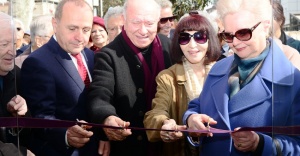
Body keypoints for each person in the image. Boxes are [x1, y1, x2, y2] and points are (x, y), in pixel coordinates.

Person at [183, 0, 300, 155]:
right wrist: (191, 118)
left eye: (243, 33)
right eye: (228, 35)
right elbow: (199, 104)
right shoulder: (218, 68)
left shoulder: (293, 82)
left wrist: (261, 143)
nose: (235, 43)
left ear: (266, 26)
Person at [87, 0, 172, 155]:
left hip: (168, 145)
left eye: (149, 23)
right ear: (123, 20)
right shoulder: (108, 55)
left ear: (158, 22)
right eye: (136, 22)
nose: (143, 30)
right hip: (129, 147)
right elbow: (100, 95)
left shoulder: (168, 46)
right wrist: (107, 119)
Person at [20, 0, 99, 155]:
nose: (80, 37)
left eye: (86, 29)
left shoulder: (90, 56)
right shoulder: (38, 62)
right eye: (72, 28)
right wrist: (65, 135)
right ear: (55, 24)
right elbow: (41, 117)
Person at [144, 12, 220, 156]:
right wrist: (165, 124)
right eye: (184, 38)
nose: (192, 45)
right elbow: (156, 112)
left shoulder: (224, 72)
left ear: (210, 40)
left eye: (200, 37)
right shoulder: (167, 77)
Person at [0, 12, 33, 156]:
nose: (12, 52)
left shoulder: (16, 73)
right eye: (4, 44)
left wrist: (21, 115)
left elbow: (29, 133)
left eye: (14, 44)